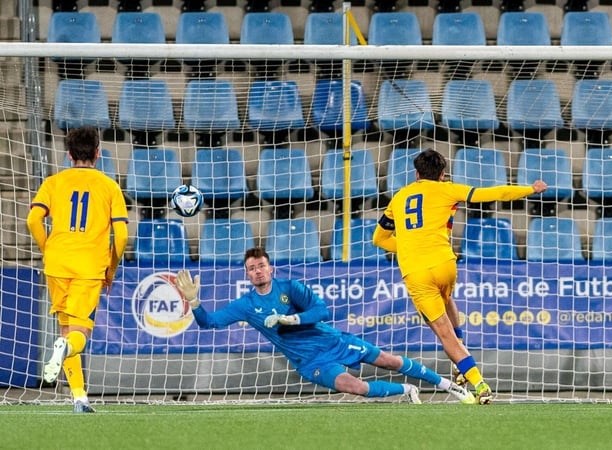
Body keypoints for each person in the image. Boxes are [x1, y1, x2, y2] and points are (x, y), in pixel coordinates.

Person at [174, 247, 475, 405]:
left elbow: (322, 310)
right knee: (354, 387)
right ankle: (407, 390)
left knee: (389, 360)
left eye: (261, 266)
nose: (257, 271)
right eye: (251, 269)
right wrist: (195, 302)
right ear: (247, 274)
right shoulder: (245, 305)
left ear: (270, 267)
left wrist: (292, 318)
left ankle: (448, 386)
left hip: (334, 341)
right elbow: (209, 323)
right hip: (310, 361)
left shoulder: (289, 287)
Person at [372, 148, 548, 405]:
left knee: (445, 335)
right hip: (445, 264)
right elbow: (493, 193)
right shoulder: (448, 189)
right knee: (446, 299)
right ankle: (461, 355)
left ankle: (479, 383)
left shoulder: (398, 198)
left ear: (416, 174)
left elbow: (379, 238)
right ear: (442, 174)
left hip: (417, 272)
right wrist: (530, 189)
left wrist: (410, 246)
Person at [27, 126, 129, 413]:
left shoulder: (53, 182)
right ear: (98, 154)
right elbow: (122, 236)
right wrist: (111, 269)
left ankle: (79, 397)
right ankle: (65, 349)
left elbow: (33, 220)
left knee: (66, 328)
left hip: (57, 264)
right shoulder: (109, 186)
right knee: (78, 334)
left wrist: (48, 248)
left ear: (69, 155)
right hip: (89, 267)